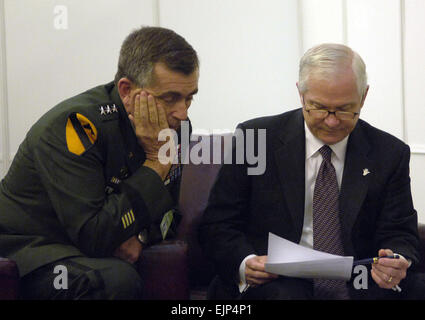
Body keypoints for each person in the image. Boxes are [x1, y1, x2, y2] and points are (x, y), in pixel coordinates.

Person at [199, 43, 424, 300]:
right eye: (319, 107)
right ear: (301, 95)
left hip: (358, 280)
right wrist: (245, 262)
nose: (331, 120)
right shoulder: (256, 139)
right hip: (276, 280)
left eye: (344, 109)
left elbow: (400, 231)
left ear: (363, 97)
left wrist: (395, 258)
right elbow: (218, 223)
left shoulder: (389, 153)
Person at [0, 26, 199, 299]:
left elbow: (167, 214)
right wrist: (155, 163)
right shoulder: (76, 125)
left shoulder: (177, 130)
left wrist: (140, 237)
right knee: (115, 281)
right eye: (170, 98)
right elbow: (93, 235)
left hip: (85, 251)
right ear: (127, 91)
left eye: (189, 98)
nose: (183, 113)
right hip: (33, 250)